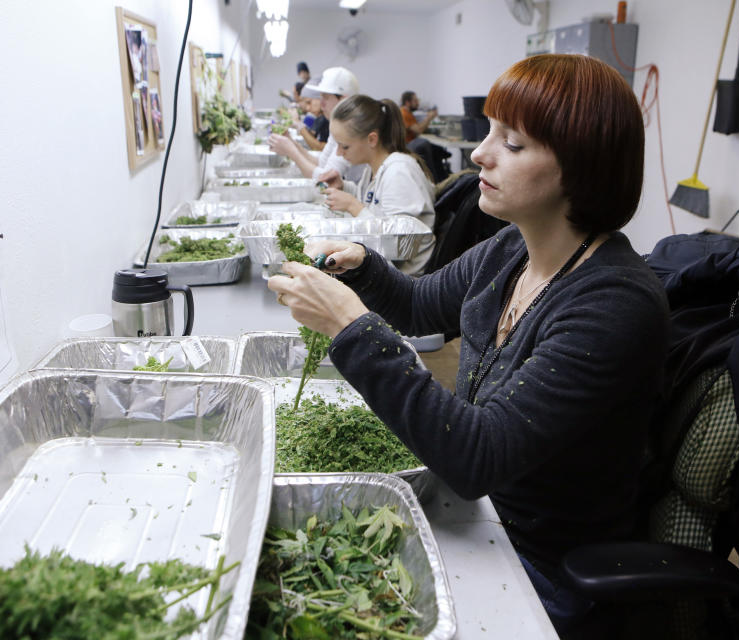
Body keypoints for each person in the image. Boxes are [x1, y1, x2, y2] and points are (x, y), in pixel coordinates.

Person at [267, 54, 670, 635]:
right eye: (488, 132)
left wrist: (350, 328)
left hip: (537, 563)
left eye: (513, 143)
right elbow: (418, 304)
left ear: (581, 168)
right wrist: (363, 269)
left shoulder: (614, 305)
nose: (480, 154)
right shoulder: (513, 248)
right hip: (477, 513)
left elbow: (477, 457)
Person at [319, 94, 435, 275]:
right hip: (383, 271)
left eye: (345, 146)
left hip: (404, 283)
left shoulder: (399, 172)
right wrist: (345, 189)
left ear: (372, 139)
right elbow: (373, 205)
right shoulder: (373, 169)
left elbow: (397, 243)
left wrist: (352, 205)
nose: (339, 153)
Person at [267, 66, 366, 182]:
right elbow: (321, 163)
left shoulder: (352, 129)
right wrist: (292, 144)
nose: (322, 104)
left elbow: (327, 179)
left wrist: (292, 152)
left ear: (343, 100)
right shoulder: (337, 125)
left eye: (326, 98)